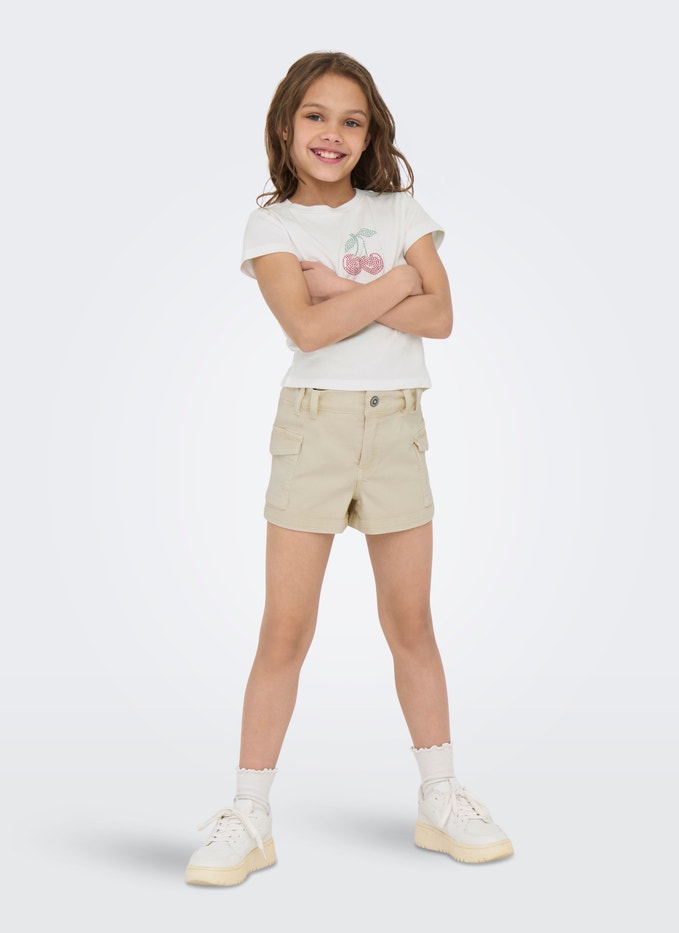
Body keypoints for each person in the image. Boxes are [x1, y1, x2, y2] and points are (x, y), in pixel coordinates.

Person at [185, 50, 513, 887]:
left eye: (352, 120)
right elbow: (306, 330)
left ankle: (440, 795)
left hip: (398, 427)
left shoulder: (400, 209)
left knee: (412, 621)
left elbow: (442, 316)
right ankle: (249, 812)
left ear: (371, 136)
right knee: (285, 629)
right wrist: (390, 281)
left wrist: (339, 287)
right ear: (286, 125)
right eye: (316, 116)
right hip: (314, 431)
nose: (333, 133)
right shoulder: (273, 227)